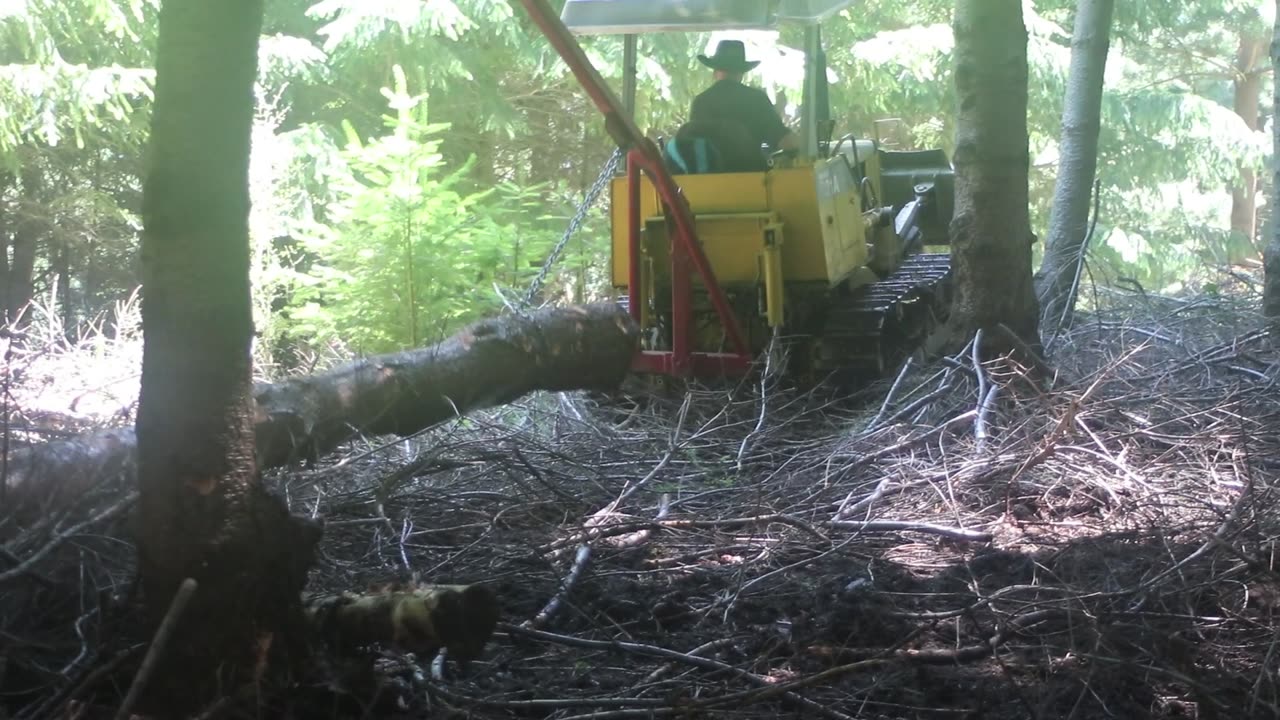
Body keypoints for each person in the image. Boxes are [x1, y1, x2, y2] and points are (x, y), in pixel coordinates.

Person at [688, 39, 798, 170]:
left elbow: (692, 147)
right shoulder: (757, 99)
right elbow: (786, 142)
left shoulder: (701, 102)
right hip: (753, 180)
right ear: (741, 73)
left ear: (715, 71)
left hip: (710, 181)